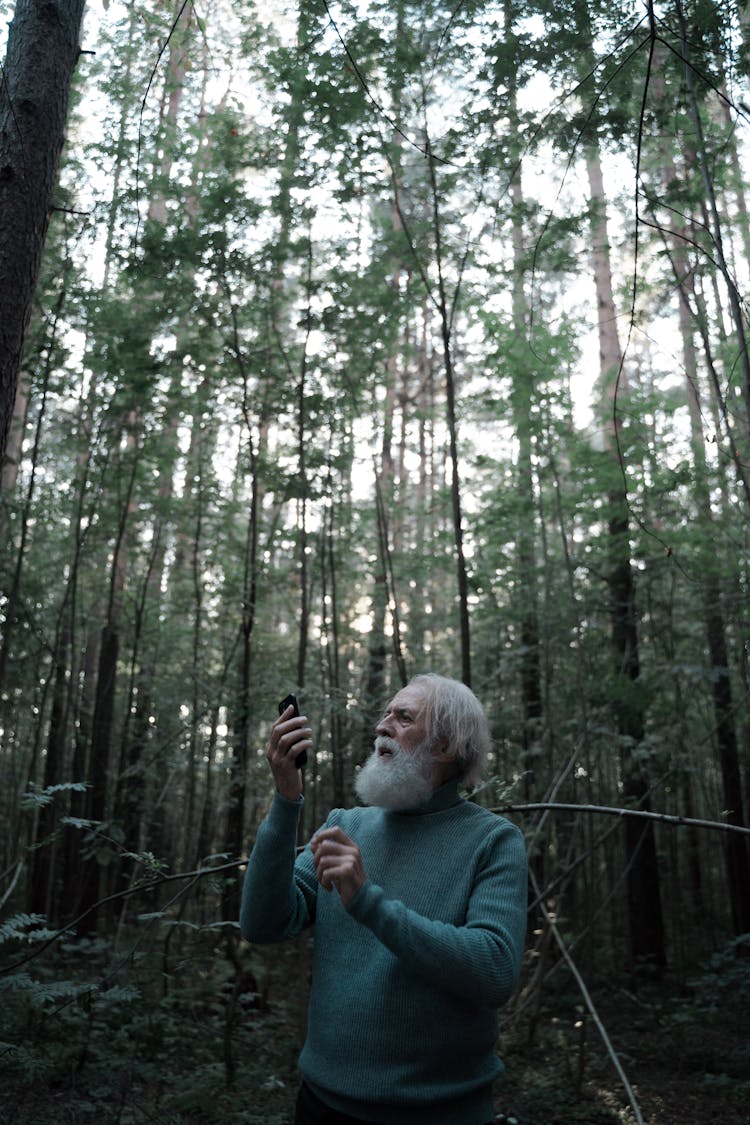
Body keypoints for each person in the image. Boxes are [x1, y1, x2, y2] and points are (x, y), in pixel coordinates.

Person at [240, 673, 528, 1125]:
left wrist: (367, 901)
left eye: (403, 717)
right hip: (322, 1105)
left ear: (446, 746)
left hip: (442, 1114)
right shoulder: (345, 824)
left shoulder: (493, 840)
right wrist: (286, 799)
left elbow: (494, 971)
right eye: (386, 713)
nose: (382, 725)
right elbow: (262, 923)